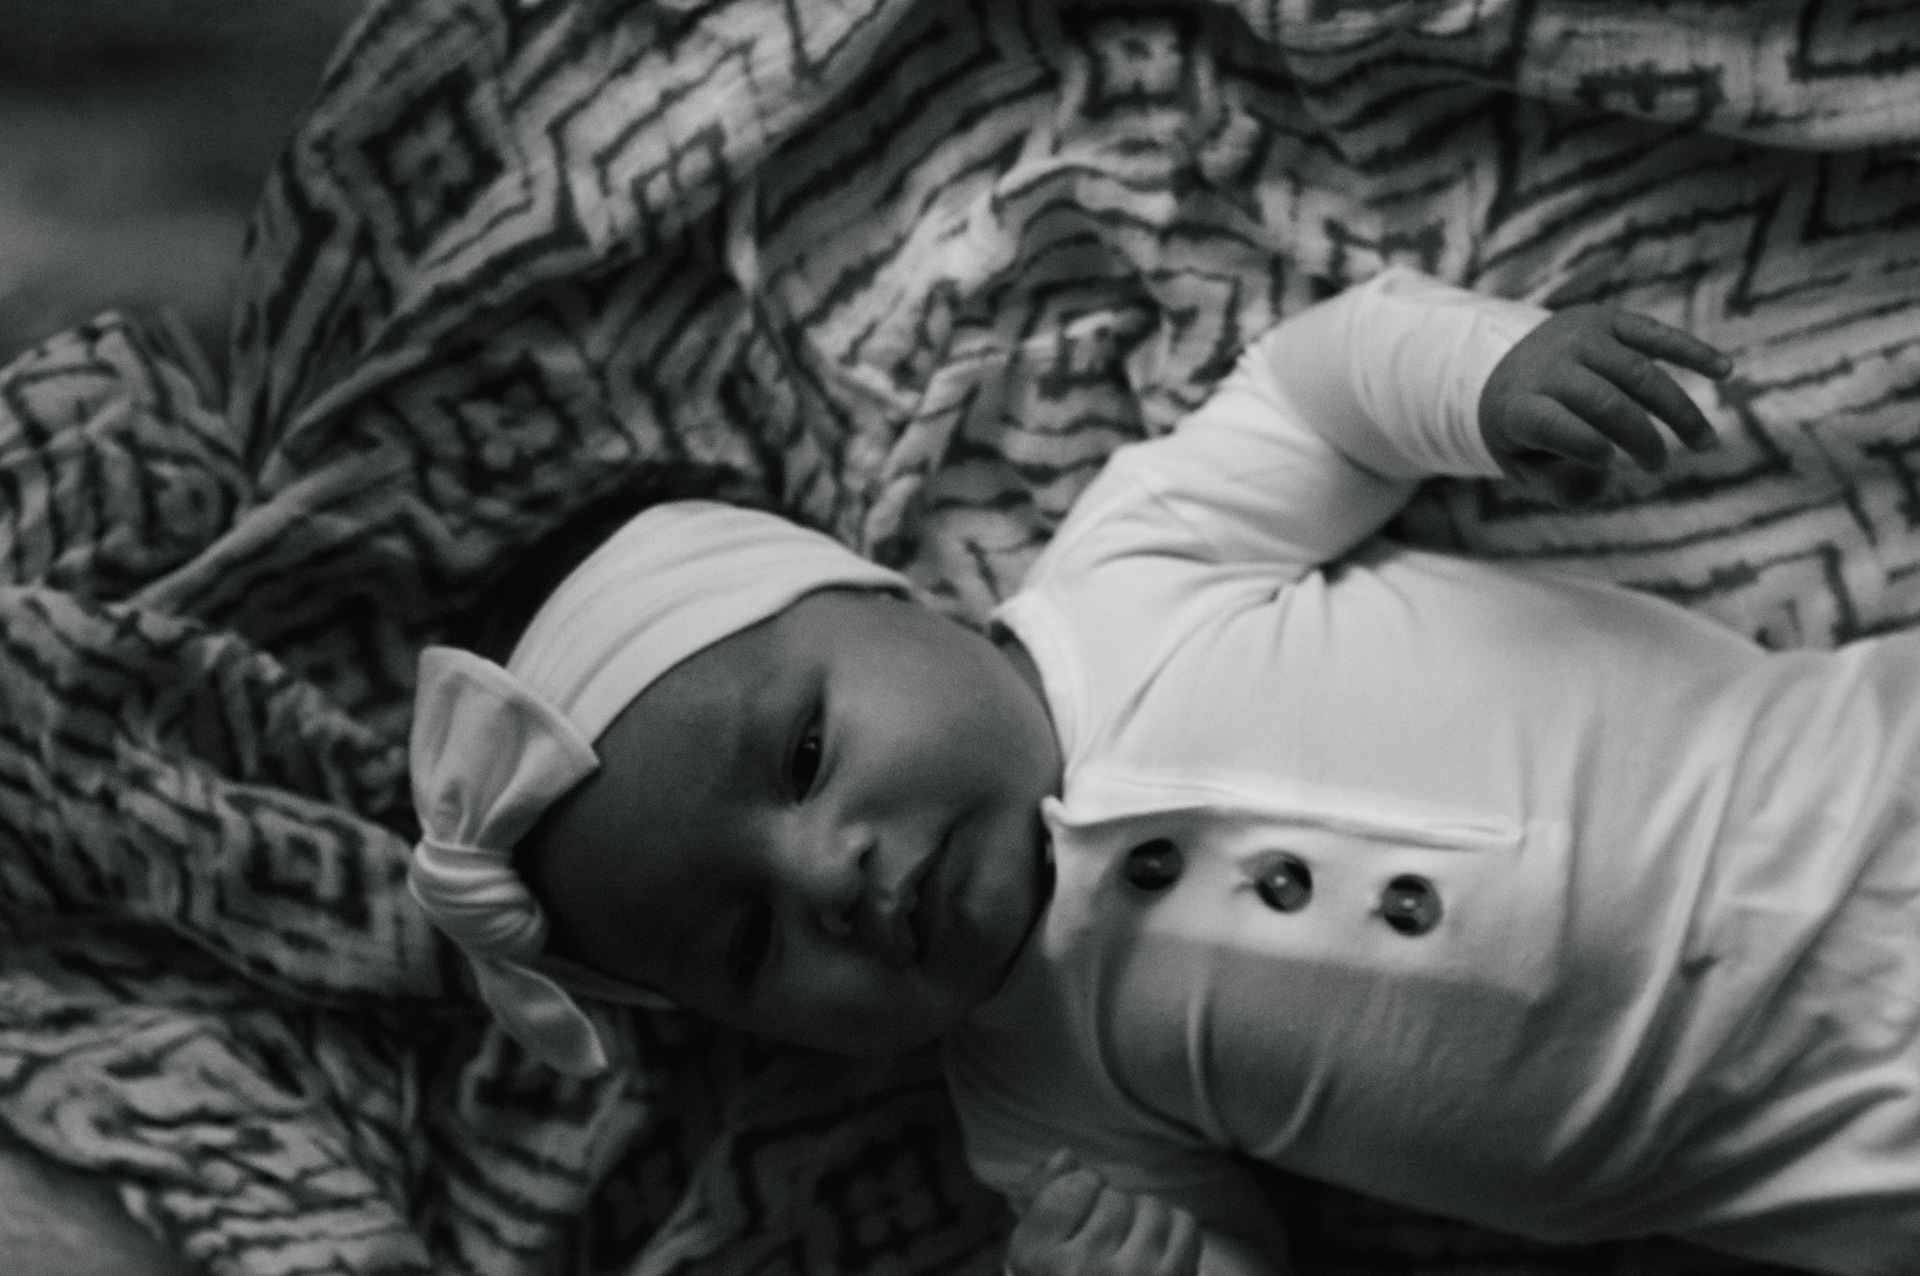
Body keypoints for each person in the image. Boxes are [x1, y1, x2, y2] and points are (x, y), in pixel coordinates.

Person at [405, 268, 1920, 1276]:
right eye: (746, 942)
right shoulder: (1040, 1109)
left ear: (885, 595)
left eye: (804, 755)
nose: (825, 876)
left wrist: (1485, 378)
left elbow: (1317, 390)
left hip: (1858, 775)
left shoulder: (1131, 575)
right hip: (1829, 1142)